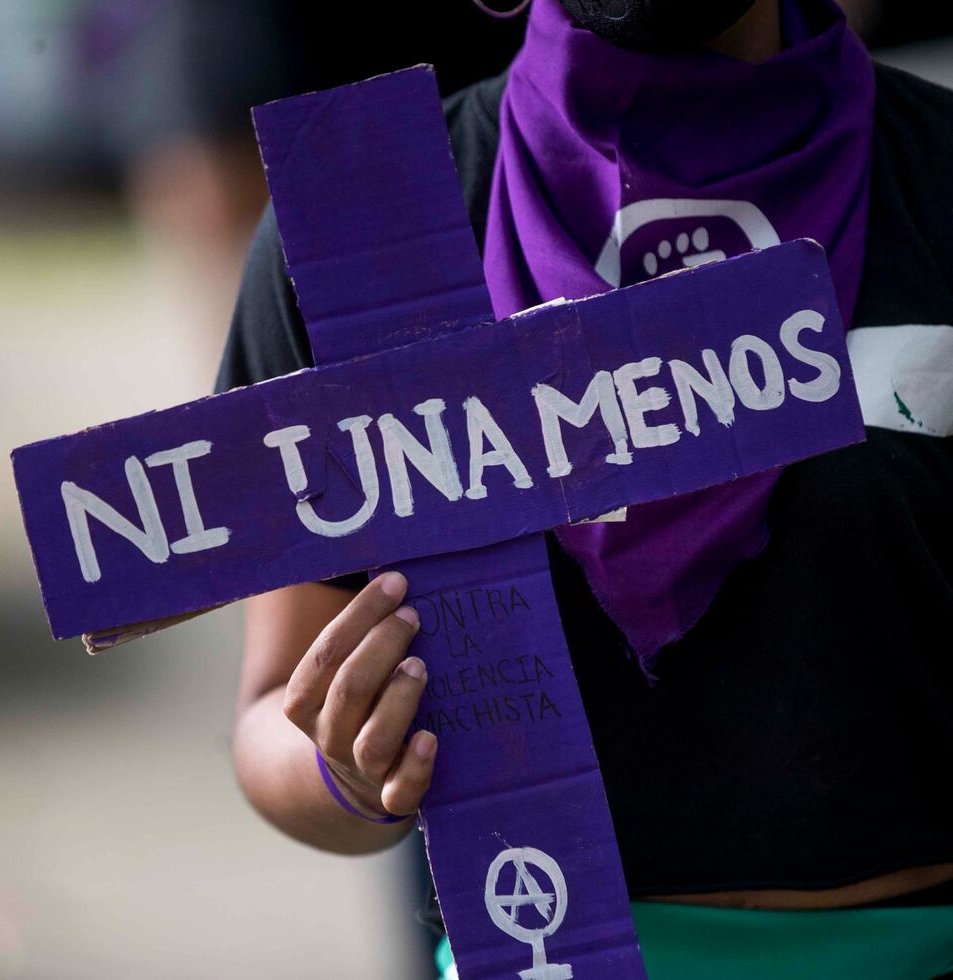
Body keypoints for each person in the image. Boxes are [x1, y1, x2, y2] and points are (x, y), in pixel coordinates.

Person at [216, 0, 953, 975]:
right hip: (537, 946)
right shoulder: (357, 219)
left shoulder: (936, 173)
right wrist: (346, 766)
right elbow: (270, 712)